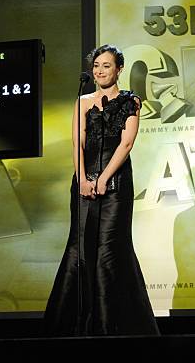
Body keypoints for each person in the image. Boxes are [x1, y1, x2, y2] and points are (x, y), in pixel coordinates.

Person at [43, 44, 159, 336]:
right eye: (96, 66)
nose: (99, 71)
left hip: (116, 185)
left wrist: (105, 178)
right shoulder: (82, 101)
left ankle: (111, 327)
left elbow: (127, 143)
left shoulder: (130, 101)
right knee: (79, 249)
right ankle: (70, 326)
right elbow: (77, 143)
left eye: (106, 65)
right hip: (83, 182)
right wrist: (82, 178)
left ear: (119, 69)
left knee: (109, 249)